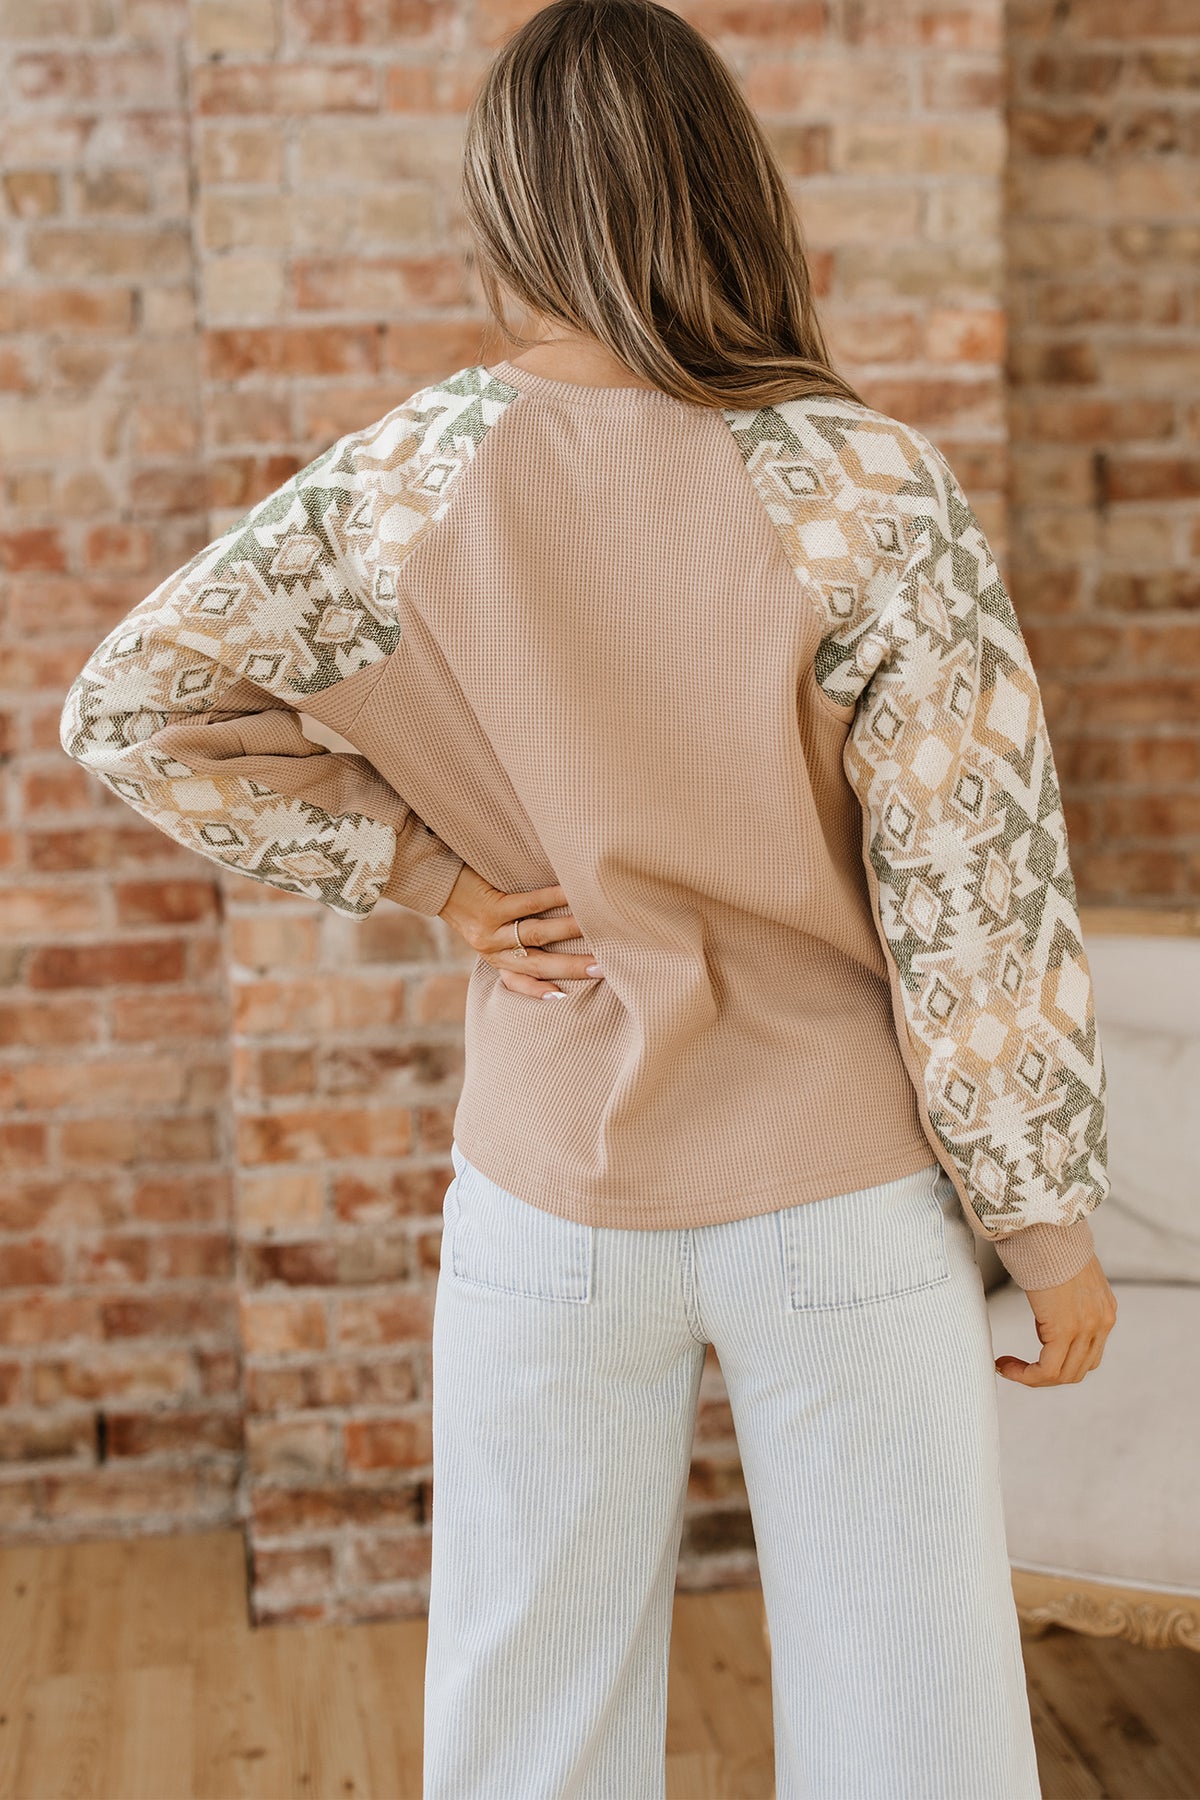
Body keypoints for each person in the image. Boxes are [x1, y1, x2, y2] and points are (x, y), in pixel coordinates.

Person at [59, 1, 1118, 1794]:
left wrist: (430, 880)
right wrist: (1048, 1230)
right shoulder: (871, 485)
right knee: (916, 1729)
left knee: (526, 1726)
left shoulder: (403, 480)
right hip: (839, 1195)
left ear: (506, 208)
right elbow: (975, 894)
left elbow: (131, 708)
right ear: (731, 190)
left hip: (548, 1194)